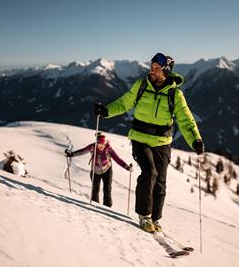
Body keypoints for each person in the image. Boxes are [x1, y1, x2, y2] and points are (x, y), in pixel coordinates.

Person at [94, 52, 204, 233]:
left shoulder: (175, 94)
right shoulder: (141, 85)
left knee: (160, 181)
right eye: (151, 67)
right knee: (149, 172)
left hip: (162, 142)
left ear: (165, 71)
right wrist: (106, 111)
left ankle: (155, 218)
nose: (151, 71)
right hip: (139, 138)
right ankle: (144, 216)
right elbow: (124, 103)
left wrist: (195, 140)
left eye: (156, 68)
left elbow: (186, 120)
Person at [65, 132, 133, 207]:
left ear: (105, 143)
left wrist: (126, 166)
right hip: (95, 171)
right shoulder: (92, 147)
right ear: (96, 143)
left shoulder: (108, 149)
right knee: (95, 190)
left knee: (107, 190)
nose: (101, 146)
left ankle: (107, 207)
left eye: (102, 144)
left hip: (107, 170)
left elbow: (117, 159)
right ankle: (95, 207)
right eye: (99, 144)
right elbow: (82, 151)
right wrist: (71, 154)